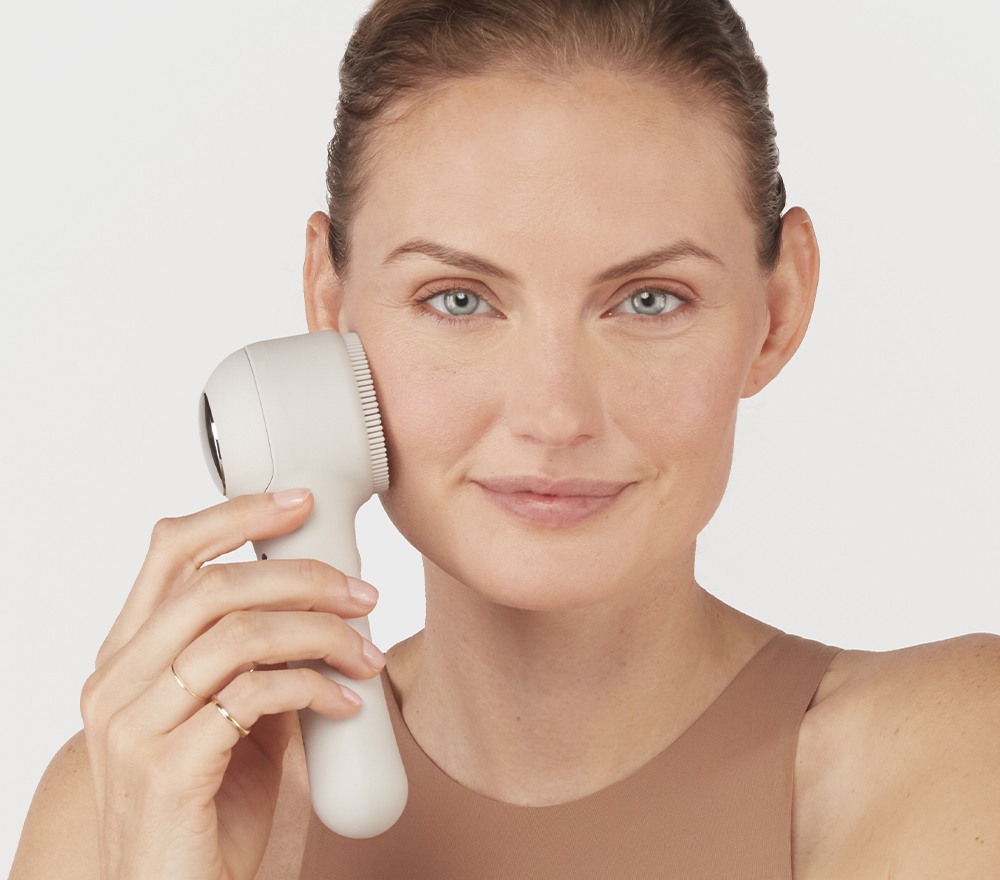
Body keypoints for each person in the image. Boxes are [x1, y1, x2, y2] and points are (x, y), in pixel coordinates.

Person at [10, 0, 999, 877]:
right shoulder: (134, 796)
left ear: (776, 312)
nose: (554, 413)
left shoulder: (956, 752)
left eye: (649, 299)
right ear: (330, 304)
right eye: (459, 299)